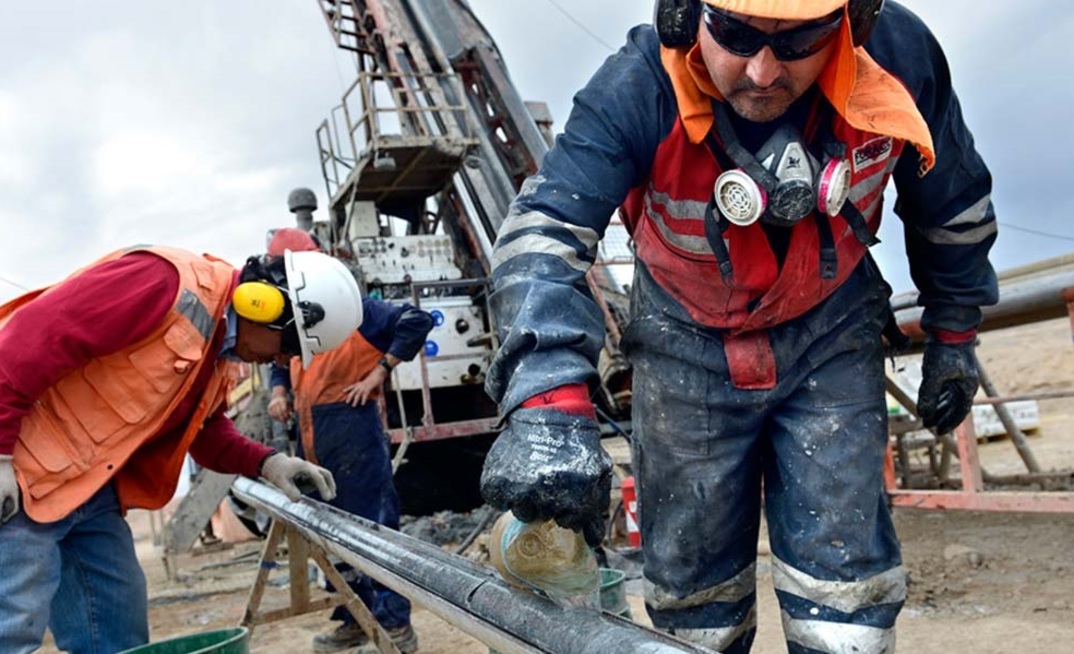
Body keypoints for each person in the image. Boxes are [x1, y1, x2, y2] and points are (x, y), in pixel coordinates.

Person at [479, 1, 998, 652]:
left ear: (853, 21)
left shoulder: (895, 62)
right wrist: (548, 408)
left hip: (831, 336)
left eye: (799, 40)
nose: (761, 71)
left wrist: (954, 336)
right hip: (682, 348)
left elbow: (950, 202)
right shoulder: (640, 88)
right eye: (736, 34)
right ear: (682, 14)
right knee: (697, 601)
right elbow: (542, 236)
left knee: (845, 596)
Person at [0, 243, 363, 654]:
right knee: (10, 630)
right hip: (19, 477)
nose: (280, 360)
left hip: (87, 487)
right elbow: (22, 342)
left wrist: (268, 462)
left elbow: (202, 431)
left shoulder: (220, 349)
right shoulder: (160, 283)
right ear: (262, 305)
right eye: (290, 347)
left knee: (116, 635)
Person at [264, 228, 433, 654]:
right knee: (332, 535)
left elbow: (416, 321)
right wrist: (278, 391)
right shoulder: (294, 316)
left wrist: (379, 372)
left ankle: (395, 625)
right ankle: (354, 619)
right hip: (312, 436)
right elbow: (280, 361)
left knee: (372, 530)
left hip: (353, 430)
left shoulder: (354, 308)